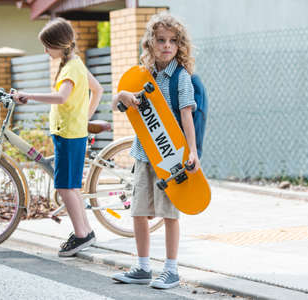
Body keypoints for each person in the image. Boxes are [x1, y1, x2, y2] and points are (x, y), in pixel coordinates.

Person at [111, 11, 199, 289]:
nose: (167, 46)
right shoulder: (142, 75)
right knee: (138, 211)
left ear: (180, 45)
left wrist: (192, 152)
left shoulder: (180, 78)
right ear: (150, 43)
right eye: (161, 40)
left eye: (173, 41)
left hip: (170, 157)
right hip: (143, 154)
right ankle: (143, 267)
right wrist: (121, 96)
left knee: (170, 213)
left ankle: (171, 270)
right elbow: (119, 104)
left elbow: (187, 116)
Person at [13, 18, 103, 257]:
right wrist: (84, 117)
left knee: (65, 187)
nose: (45, 51)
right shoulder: (75, 63)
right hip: (71, 131)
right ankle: (85, 232)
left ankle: (82, 236)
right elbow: (98, 89)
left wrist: (28, 95)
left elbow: (62, 97)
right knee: (70, 186)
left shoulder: (72, 67)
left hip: (69, 134)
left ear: (58, 44)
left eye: (47, 46)